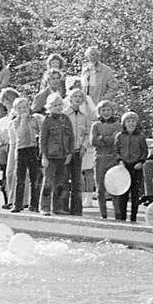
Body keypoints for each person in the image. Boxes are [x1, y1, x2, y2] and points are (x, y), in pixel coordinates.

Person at [39, 93, 75, 216]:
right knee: (48, 182)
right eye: (55, 105)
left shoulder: (66, 119)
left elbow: (71, 137)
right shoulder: (47, 120)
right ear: (49, 107)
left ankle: (57, 207)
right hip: (50, 156)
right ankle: (44, 207)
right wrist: (43, 156)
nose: (58, 107)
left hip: (63, 156)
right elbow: (43, 139)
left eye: (60, 104)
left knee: (61, 183)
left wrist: (70, 153)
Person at [63, 87, 97, 216]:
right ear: (70, 99)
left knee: (77, 181)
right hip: (66, 152)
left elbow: (88, 133)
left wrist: (84, 147)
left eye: (80, 97)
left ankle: (77, 209)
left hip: (79, 151)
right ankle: (63, 207)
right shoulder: (64, 115)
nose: (77, 99)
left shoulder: (85, 116)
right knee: (64, 180)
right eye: (75, 96)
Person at [8, 96, 42, 213]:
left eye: (25, 107)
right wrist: (23, 120)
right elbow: (20, 134)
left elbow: (40, 131)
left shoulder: (34, 119)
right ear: (16, 110)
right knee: (20, 178)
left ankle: (34, 204)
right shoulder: (15, 122)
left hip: (32, 149)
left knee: (34, 178)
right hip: (21, 149)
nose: (23, 110)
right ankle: (17, 204)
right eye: (20, 108)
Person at [113, 111, 148, 222]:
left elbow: (144, 151)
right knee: (123, 194)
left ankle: (134, 216)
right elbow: (116, 150)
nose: (131, 123)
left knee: (135, 193)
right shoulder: (120, 136)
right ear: (124, 123)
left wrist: (141, 162)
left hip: (136, 166)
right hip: (123, 166)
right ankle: (121, 216)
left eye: (133, 121)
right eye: (128, 121)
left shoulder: (141, 136)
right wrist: (120, 161)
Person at [90, 99, 119, 220]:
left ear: (112, 111)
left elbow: (115, 140)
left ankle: (118, 213)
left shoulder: (117, 124)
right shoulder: (96, 125)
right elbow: (93, 141)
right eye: (103, 110)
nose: (106, 112)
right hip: (99, 158)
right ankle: (103, 214)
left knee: (114, 187)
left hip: (112, 158)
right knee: (100, 188)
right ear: (99, 112)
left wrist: (102, 138)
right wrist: (104, 139)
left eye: (108, 110)